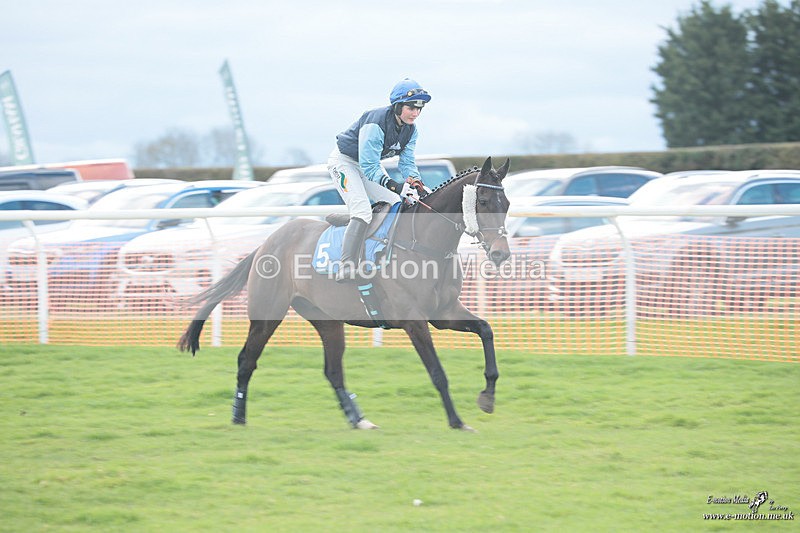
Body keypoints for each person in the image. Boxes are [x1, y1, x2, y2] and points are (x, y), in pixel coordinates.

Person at [327, 78, 431, 282]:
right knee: (363, 211)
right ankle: (346, 265)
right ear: (398, 105)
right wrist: (396, 185)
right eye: (411, 107)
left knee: (396, 204)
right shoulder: (376, 122)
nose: (416, 113)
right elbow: (369, 167)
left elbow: (407, 163)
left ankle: (364, 232)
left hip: (368, 164)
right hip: (344, 163)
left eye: (420, 108)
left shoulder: (411, 130)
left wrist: (416, 182)